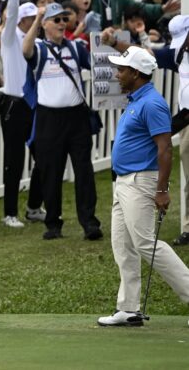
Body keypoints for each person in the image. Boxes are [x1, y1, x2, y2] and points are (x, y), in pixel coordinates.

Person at [96, 46, 189, 327]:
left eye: (122, 70)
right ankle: (128, 308)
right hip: (124, 182)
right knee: (122, 245)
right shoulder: (137, 99)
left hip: (141, 181)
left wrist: (161, 190)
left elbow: (165, 150)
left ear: (136, 73)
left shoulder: (152, 103)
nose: (117, 74)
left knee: (146, 244)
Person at [22, 3, 101, 241]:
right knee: (51, 172)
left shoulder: (76, 47)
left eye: (64, 19)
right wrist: (36, 19)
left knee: (84, 171)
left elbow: (97, 62)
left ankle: (89, 223)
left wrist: (106, 38)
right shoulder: (38, 48)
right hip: (49, 119)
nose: (61, 24)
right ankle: (53, 223)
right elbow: (25, 50)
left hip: (76, 117)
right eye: (55, 20)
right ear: (45, 24)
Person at [0, 0, 45, 228]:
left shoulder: (36, 42)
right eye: (30, 20)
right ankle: (9, 213)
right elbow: (12, 11)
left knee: (44, 156)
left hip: (34, 105)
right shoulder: (10, 38)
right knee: (13, 161)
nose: (32, 24)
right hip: (13, 104)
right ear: (22, 21)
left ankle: (34, 207)